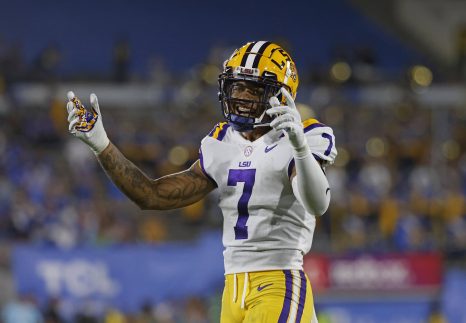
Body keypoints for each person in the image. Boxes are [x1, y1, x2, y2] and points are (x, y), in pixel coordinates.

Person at [66, 41, 337, 323]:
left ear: (281, 96)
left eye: (253, 89)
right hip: (232, 289)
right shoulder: (221, 141)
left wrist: (300, 146)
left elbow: (317, 203)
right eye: (237, 87)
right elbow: (151, 195)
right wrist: (102, 145)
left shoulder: (304, 135)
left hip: (277, 282)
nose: (241, 96)